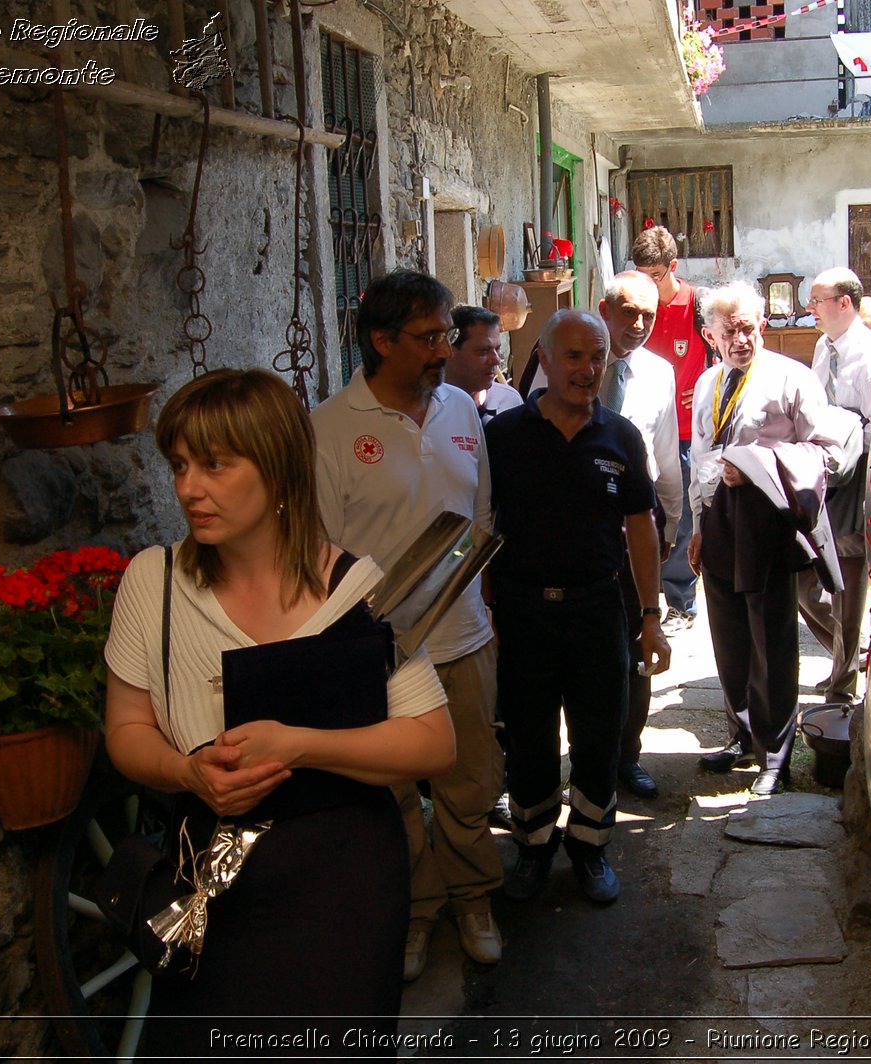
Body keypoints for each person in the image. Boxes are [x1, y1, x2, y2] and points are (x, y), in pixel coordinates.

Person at [103, 368, 455, 1051]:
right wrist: (187, 772)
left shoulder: (358, 589)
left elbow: (433, 742)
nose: (187, 489)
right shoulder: (154, 582)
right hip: (209, 876)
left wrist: (299, 745)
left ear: (278, 469)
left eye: (214, 465)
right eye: (179, 465)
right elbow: (126, 729)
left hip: (344, 876)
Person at [311, 270, 507, 982]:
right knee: (391, 797)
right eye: (426, 338)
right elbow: (320, 551)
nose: (441, 351)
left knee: (471, 784)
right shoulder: (330, 430)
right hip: (377, 655)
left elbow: (481, 517)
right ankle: (414, 911)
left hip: (464, 640)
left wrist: (480, 614)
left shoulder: (461, 409)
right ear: (381, 340)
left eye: (446, 336)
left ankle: (474, 900)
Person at [485, 309, 672, 904]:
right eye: (573, 357)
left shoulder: (620, 437)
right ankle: (534, 846)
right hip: (523, 616)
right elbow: (478, 527)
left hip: (597, 613)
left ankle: (589, 847)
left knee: (598, 735)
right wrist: (483, 607)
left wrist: (650, 617)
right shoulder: (504, 437)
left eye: (598, 358)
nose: (588, 370)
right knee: (530, 738)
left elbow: (641, 530)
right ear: (542, 359)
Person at [688, 284, 846, 795]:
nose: (741, 338)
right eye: (729, 330)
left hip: (767, 528)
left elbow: (830, 453)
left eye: (749, 327)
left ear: (763, 326)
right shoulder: (709, 384)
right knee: (729, 638)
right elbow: (700, 459)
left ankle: (775, 755)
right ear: (711, 334)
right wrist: (697, 524)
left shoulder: (791, 378)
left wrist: (763, 468)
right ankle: (742, 733)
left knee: (771, 640)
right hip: (719, 524)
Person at [596, 270, 682, 799]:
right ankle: (587, 756)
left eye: (649, 315)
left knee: (637, 642)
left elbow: (666, 453)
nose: (639, 324)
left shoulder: (658, 373)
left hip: (634, 523)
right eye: (629, 312)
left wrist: (671, 517)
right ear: (606, 310)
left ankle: (628, 755)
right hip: (579, 527)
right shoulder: (564, 356)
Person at [799, 268, 871, 702]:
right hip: (821, 467)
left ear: (844, 303)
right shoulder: (823, 346)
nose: (810, 309)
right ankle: (849, 656)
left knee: (848, 582)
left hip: (857, 475)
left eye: (817, 301)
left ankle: (843, 684)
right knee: (804, 586)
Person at [631, 225, 713, 636]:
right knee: (641, 508)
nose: (648, 285)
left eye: (656, 276)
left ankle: (681, 602)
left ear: (673, 267)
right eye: (641, 274)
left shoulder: (697, 303)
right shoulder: (635, 307)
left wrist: (700, 393)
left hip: (684, 429)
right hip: (642, 425)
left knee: (679, 513)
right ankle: (643, 594)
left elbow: (718, 360)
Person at [446, 304, 524, 424]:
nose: (496, 360)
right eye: (483, 351)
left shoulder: (509, 402)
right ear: (450, 351)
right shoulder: (427, 407)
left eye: (497, 349)